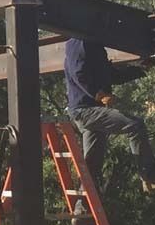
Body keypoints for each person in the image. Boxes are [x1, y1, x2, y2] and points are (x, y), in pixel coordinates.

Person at [64, 37, 155, 213]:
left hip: (90, 111)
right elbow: (78, 73)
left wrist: (141, 68)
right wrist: (99, 95)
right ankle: (149, 176)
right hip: (85, 110)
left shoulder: (95, 46)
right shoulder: (79, 40)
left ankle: (82, 209)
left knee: (92, 164)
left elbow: (112, 76)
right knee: (135, 125)